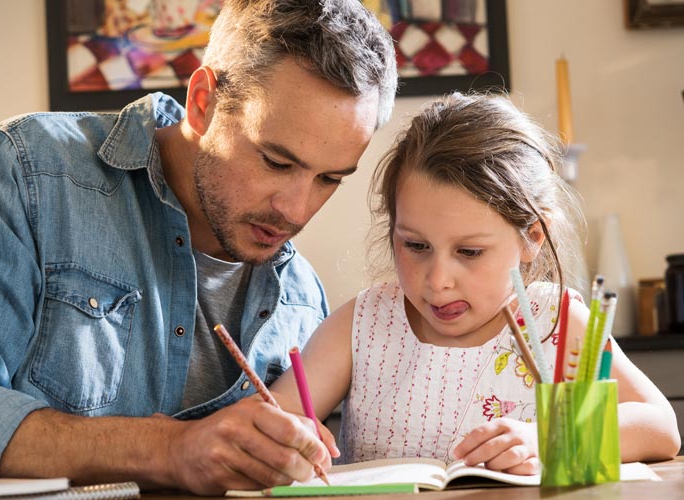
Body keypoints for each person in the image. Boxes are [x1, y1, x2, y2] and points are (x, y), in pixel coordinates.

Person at [0, 0, 397, 494]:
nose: (296, 209)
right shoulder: (28, 171)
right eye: (276, 162)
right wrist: (170, 450)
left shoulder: (303, 300)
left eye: (330, 178)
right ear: (203, 102)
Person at [269, 92, 681, 474]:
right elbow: (275, 414)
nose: (439, 280)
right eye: (416, 245)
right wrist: (285, 435)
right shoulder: (361, 324)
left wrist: (552, 440)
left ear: (532, 238)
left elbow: (660, 427)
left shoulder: (557, 320)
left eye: (469, 252)